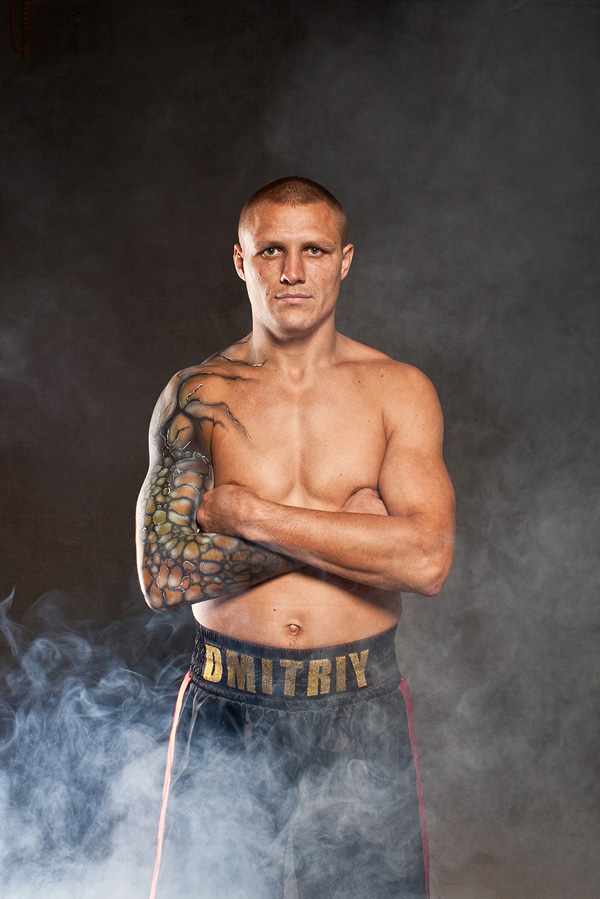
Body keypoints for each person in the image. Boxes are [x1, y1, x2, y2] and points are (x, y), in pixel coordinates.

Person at [136, 176, 455, 899]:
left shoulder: (398, 390)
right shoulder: (197, 395)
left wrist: (250, 515)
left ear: (344, 260)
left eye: (313, 250)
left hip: (358, 706)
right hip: (227, 700)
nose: (292, 271)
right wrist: (359, 535)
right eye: (271, 250)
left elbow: (427, 560)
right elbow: (163, 576)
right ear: (241, 261)